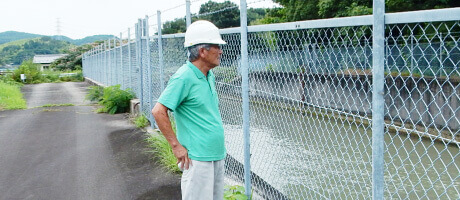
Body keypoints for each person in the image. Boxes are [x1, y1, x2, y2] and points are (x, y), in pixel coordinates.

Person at [151, 20, 227, 200]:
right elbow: (158, 111)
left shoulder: (208, 75)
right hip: (197, 158)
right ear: (203, 51)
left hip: (215, 154)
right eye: (216, 46)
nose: (221, 51)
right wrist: (176, 146)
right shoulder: (184, 77)